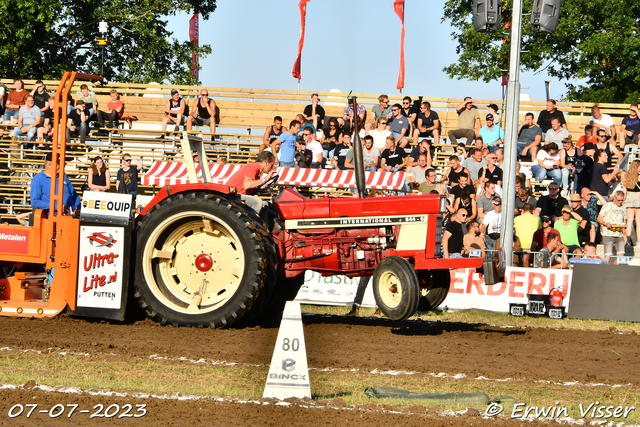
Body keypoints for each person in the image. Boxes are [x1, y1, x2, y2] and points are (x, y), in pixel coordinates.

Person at [226, 151, 277, 220]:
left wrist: (261, 187)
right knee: (257, 202)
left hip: (238, 196)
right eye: (272, 165)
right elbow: (246, 185)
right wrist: (266, 178)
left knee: (265, 204)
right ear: (266, 163)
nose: (272, 168)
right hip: (233, 196)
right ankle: (253, 225)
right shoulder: (253, 166)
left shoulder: (257, 172)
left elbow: (250, 187)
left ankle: (265, 228)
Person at [598, 190, 628, 259]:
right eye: (619, 200)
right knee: (608, 256)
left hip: (619, 234)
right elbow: (599, 219)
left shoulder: (623, 208)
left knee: (621, 257)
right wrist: (605, 223)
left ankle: (616, 269)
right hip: (608, 233)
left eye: (622, 200)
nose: (620, 202)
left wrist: (625, 234)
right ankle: (606, 270)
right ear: (614, 198)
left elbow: (625, 221)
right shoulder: (607, 205)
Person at [623, 160, 640, 245]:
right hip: (638, 197)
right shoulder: (639, 177)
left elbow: (624, 191)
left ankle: (628, 240)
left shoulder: (626, 176)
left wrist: (624, 200)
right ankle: (639, 241)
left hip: (629, 197)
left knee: (629, 221)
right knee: (638, 221)